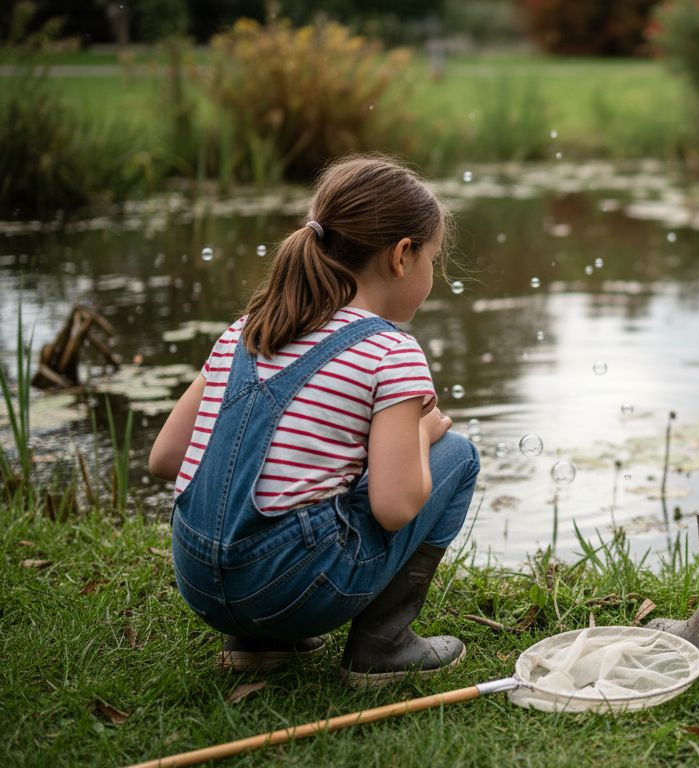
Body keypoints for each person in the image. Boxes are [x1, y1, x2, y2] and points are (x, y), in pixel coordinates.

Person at [148, 155, 480, 689]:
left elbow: (165, 458)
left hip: (201, 584)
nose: (432, 278)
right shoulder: (390, 351)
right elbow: (394, 509)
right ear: (401, 256)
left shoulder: (248, 329)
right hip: (295, 590)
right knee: (457, 454)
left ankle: (259, 645)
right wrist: (420, 433)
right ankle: (382, 648)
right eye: (433, 262)